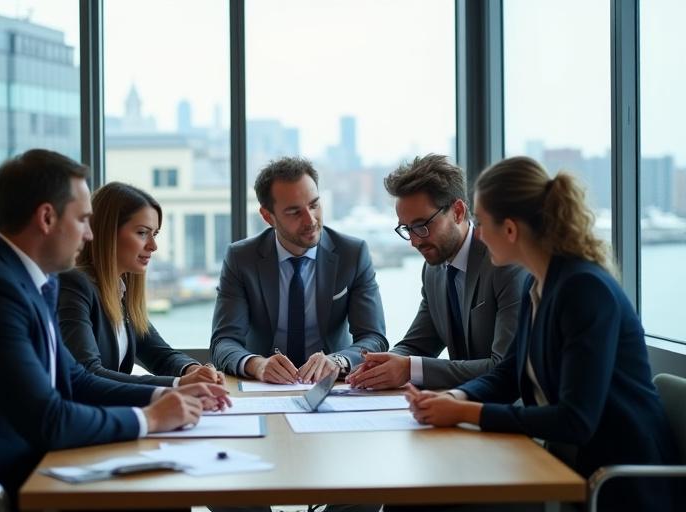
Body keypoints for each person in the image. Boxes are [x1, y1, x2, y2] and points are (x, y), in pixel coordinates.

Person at [0, 149, 229, 502]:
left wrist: (166, 395)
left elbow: (76, 380)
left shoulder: (33, 282)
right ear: (46, 218)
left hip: (34, 467)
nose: (90, 235)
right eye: (82, 220)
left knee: (169, 488)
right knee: (165, 492)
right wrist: (151, 419)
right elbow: (48, 420)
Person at [406, 156, 680, 511]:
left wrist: (464, 412)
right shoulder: (539, 284)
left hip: (618, 483)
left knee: (434, 500)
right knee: (420, 498)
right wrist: (457, 397)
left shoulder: (584, 289)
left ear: (510, 229)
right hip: (566, 465)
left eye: (482, 222)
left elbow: (575, 420)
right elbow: (509, 371)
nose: (478, 234)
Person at [347, 154, 525, 390]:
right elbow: (417, 345)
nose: (414, 242)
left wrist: (409, 369)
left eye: (421, 226)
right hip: (458, 404)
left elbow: (504, 367)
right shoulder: (434, 271)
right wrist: (378, 365)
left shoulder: (504, 264)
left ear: (458, 212)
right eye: (407, 229)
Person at [210, 156, 388, 383]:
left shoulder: (352, 254)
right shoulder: (241, 258)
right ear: (268, 216)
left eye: (314, 205)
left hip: (332, 384)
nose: (310, 220)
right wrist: (257, 365)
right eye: (294, 212)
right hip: (264, 386)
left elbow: (374, 338)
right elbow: (223, 342)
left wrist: (338, 361)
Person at [58, 182, 224, 387]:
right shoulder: (75, 285)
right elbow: (88, 373)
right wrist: (177, 384)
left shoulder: (120, 291)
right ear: (108, 232)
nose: (153, 246)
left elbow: (160, 355)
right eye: (142, 233)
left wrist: (194, 371)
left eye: (155, 234)